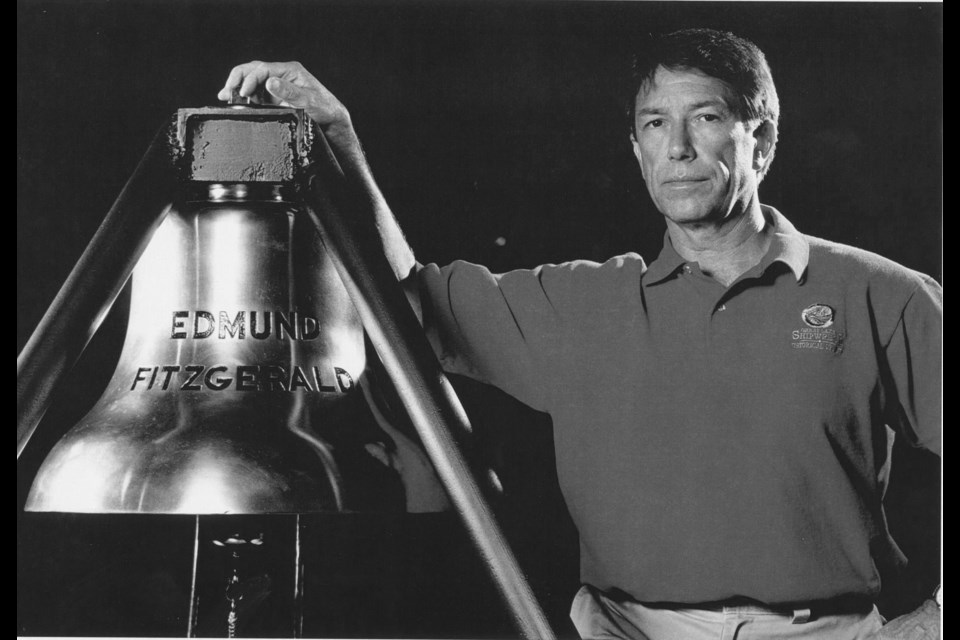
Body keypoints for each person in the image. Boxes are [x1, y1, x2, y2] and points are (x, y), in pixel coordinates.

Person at [219, 28, 941, 640]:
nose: (679, 148)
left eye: (707, 118)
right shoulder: (584, 302)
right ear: (636, 149)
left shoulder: (879, 295)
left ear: (763, 140)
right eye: (656, 124)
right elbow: (405, 306)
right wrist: (339, 136)